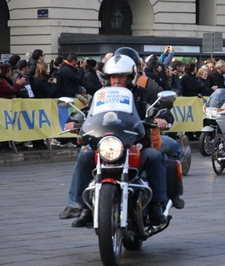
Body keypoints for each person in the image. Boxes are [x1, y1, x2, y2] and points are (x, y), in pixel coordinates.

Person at [59, 54, 182, 227]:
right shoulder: (100, 96)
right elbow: (88, 111)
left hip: (136, 145)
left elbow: (160, 109)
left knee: (154, 156)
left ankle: (156, 206)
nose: (117, 81)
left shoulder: (143, 95)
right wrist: (75, 120)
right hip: (107, 145)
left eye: (121, 77)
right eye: (113, 77)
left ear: (130, 77)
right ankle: (79, 205)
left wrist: (162, 117)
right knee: (85, 155)